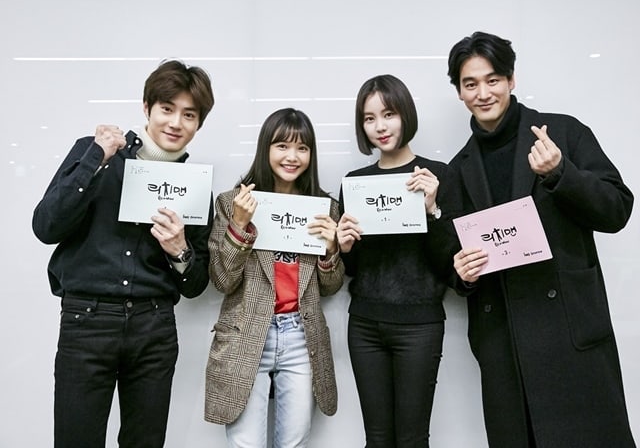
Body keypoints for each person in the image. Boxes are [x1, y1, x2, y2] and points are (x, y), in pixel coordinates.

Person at [447, 31, 636, 447]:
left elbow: (617, 210)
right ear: (459, 92)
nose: (483, 93)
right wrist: (462, 273)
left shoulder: (563, 134)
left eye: (493, 80)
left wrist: (560, 173)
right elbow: (456, 257)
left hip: (568, 330)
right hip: (504, 343)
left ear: (511, 79)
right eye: (470, 84)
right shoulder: (458, 169)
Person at [32, 60, 215, 448]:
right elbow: (46, 226)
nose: (176, 123)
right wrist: (95, 160)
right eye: (167, 108)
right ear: (147, 107)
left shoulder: (196, 188)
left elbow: (196, 285)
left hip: (154, 326)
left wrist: (179, 250)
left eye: (189, 114)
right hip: (87, 321)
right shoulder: (96, 154)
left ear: (199, 123)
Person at [204, 107, 344, 447]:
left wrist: (330, 250)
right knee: (246, 443)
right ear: (265, 148)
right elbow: (222, 280)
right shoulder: (232, 203)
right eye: (282, 146)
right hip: (246, 332)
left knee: (294, 443)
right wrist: (239, 225)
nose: (292, 157)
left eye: (302, 148)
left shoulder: (324, 208)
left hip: (301, 336)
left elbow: (331, 287)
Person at [336, 74, 459, 447]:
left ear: (405, 114)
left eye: (388, 114)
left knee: (412, 439)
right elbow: (353, 269)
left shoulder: (437, 175)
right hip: (365, 324)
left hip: (419, 325)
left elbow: (451, 263)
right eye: (369, 118)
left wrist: (433, 210)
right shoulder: (355, 183)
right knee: (376, 439)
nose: (380, 126)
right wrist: (344, 248)